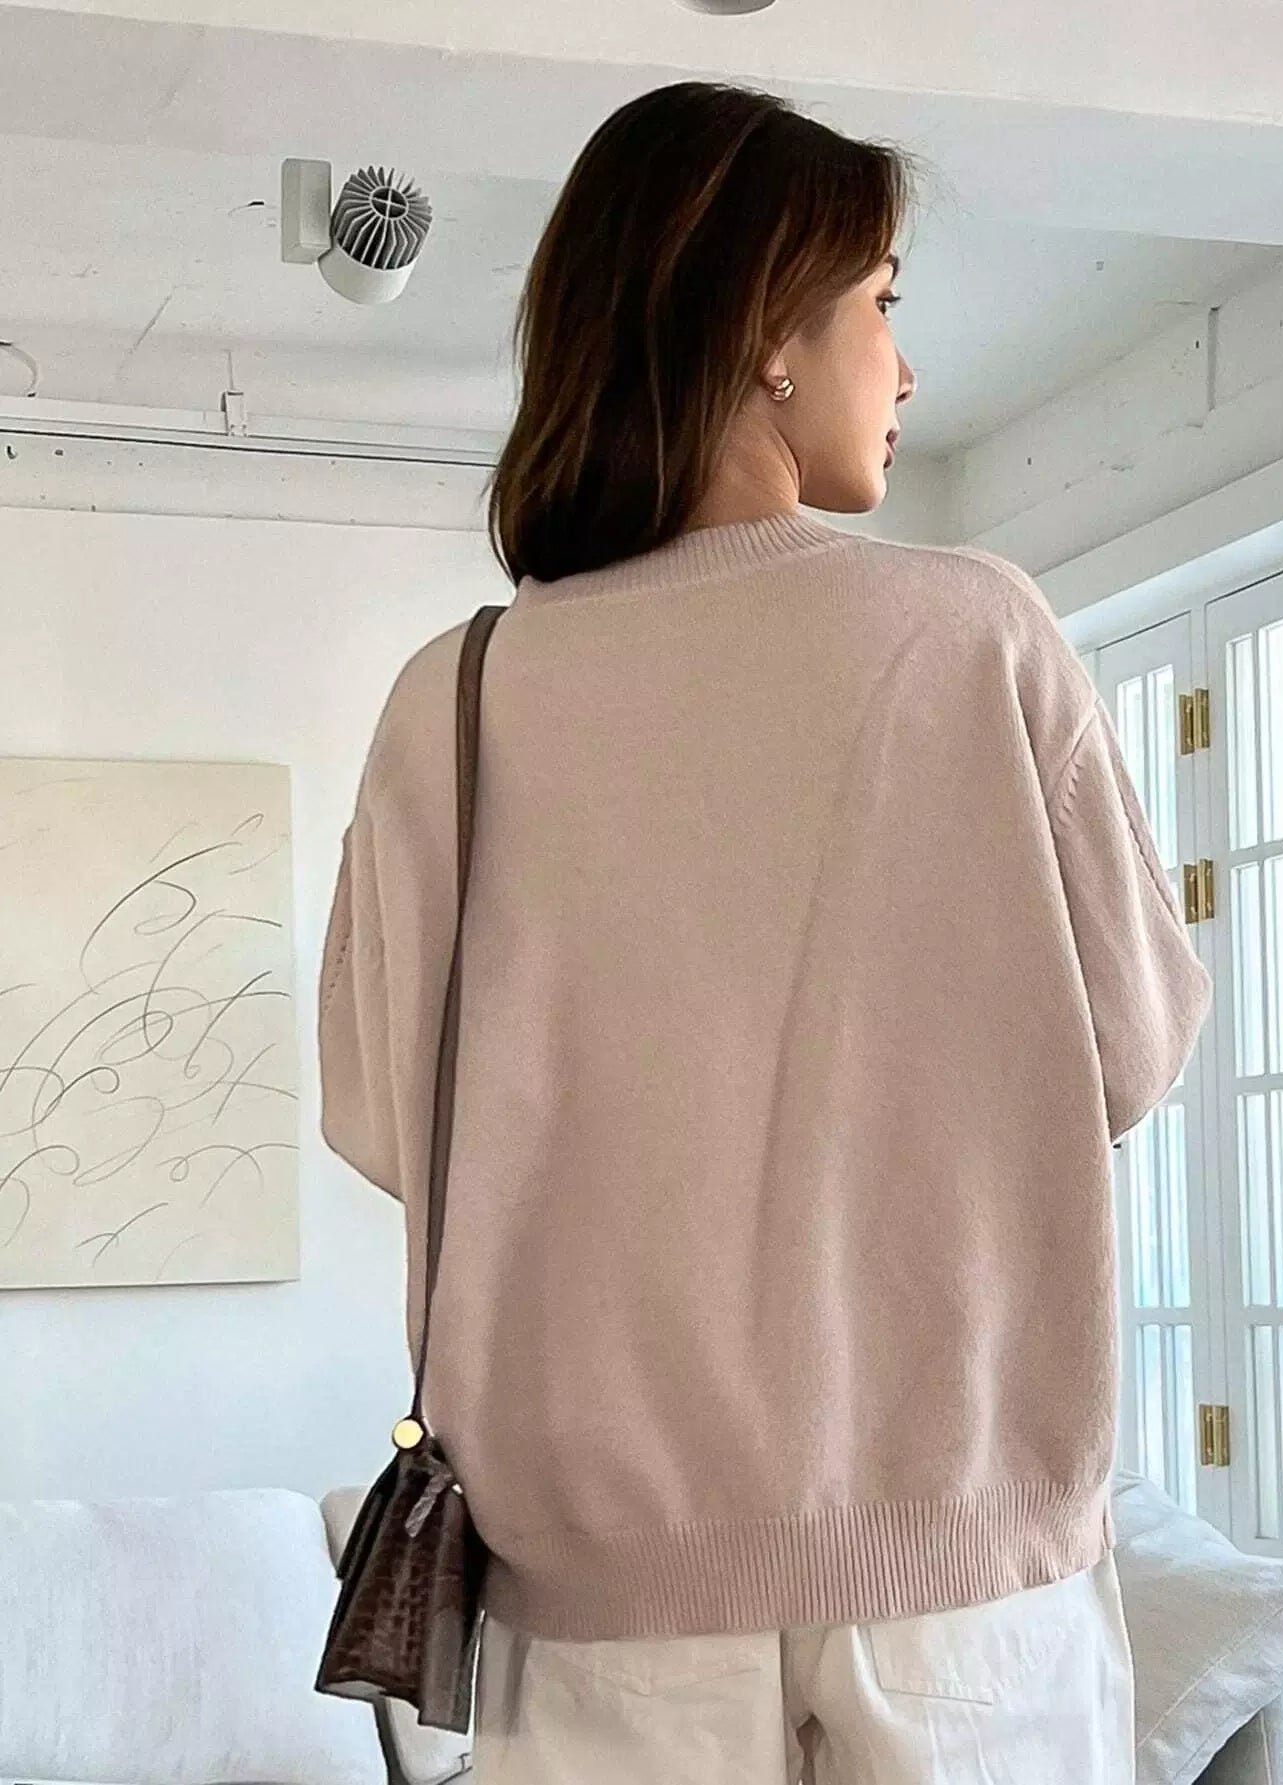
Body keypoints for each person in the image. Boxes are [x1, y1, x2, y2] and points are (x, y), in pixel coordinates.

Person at [318, 81, 1212, 1784]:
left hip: (599, 1626)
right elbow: (1137, 1048)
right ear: (766, 337)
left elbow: (379, 1122)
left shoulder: (456, 701)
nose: (906, 364)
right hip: (960, 1600)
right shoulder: (976, 637)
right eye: (883, 298)